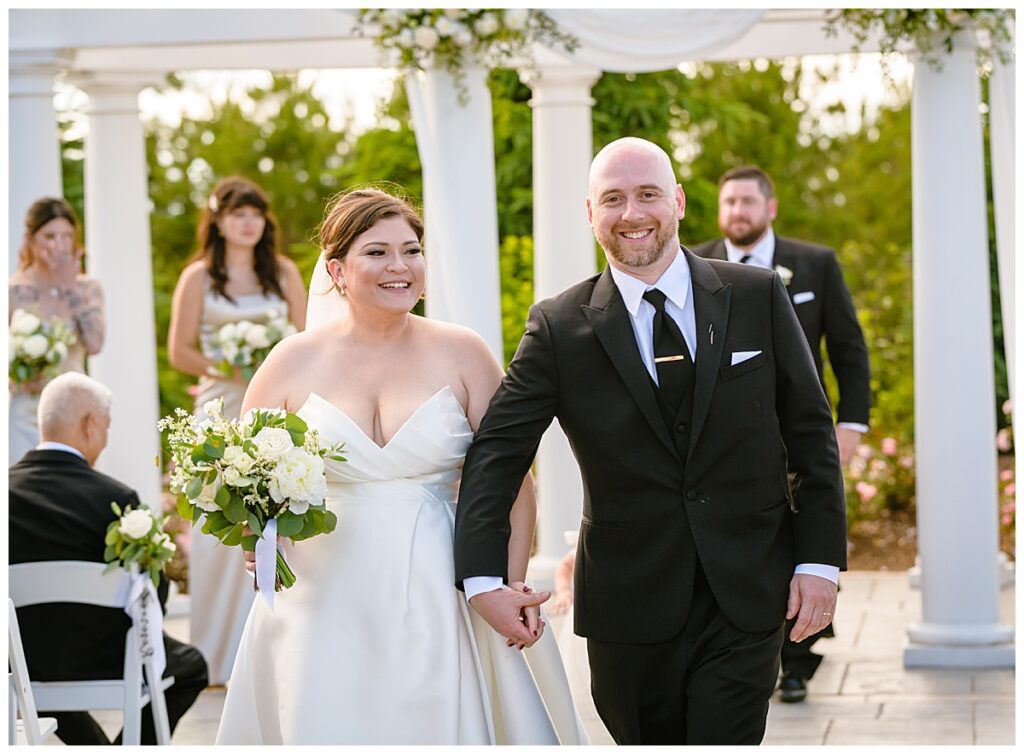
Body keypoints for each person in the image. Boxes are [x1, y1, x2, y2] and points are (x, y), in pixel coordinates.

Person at [453, 137, 847, 745]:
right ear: (590, 214)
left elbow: (809, 432)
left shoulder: (756, 294)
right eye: (612, 199)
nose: (631, 214)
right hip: (626, 602)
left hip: (747, 590)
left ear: (680, 202)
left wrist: (819, 561)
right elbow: (500, 451)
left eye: (647, 195)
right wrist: (483, 580)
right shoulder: (559, 326)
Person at [214, 188, 586, 744]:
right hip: (322, 594)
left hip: (441, 585)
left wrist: (507, 584)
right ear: (337, 270)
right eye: (378, 252)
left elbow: (512, 479)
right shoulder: (289, 362)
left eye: (411, 251)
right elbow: (244, 480)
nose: (400, 267)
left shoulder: (463, 352)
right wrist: (257, 543)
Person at [693, 165, 870, 703]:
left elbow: (848, 348)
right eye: (728, 203)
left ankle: (798, 656)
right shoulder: (694, 264)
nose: (737, 212)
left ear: (769, 208)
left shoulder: (814, 263)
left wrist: (852, 424)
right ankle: (747, 643)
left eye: (747, 202)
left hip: (800, 428)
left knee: (806, 533)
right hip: (730, 438)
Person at [9, 372, 208, 745]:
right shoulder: (114, 498)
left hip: (21, 660)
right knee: (190, 667)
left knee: (36, 670)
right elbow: (154, 595)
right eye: (106, 427)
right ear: (89, 425)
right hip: (106, 658)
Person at [168, 176, 307, 685]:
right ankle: (214, 658)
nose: (247, 222)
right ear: (219, 221)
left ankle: (270, 652)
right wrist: (228, 365)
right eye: (237, 213)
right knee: (216, 529)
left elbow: (306, 338)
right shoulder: (199, 278)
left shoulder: (285, 273)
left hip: (273, 408)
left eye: (255, 213)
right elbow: (179, 350)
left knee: (271, 515)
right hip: (218, 405)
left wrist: (266, 367)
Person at [8, 197, 104, 464]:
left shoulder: (88, 288)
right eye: (50, 236)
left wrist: (69, 286)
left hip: (75, 412)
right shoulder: (13, 291)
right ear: (30, 238)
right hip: (26, 408)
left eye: (67, 236)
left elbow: (95, 344)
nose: (59, 245)